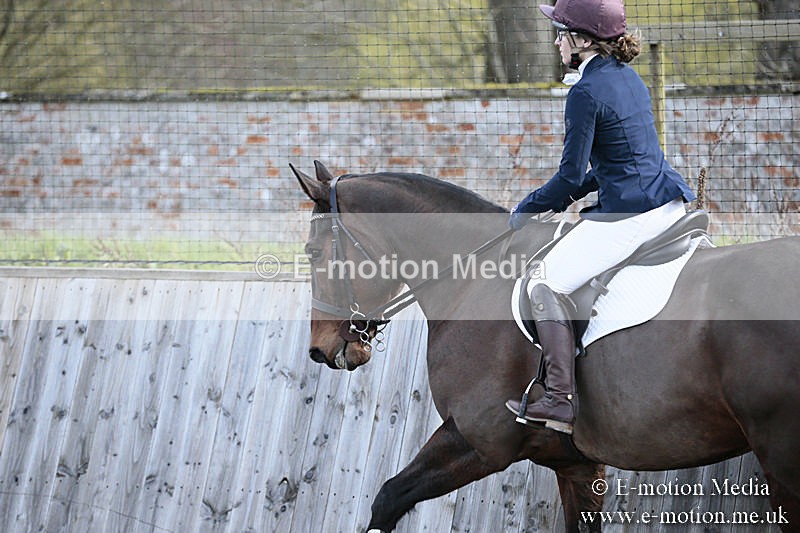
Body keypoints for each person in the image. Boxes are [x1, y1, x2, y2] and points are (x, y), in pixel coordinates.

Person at [505, 0, 696, 435]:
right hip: (668, 203)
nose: (557, 41)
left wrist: (528, 208)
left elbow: (570, 175)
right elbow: (622, 161)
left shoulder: (584, 93)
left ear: (583, 41)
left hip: (632, 216)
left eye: (562, 33)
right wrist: (570, 197)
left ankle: (558, 399)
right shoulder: (630, 78)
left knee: (543, 282)